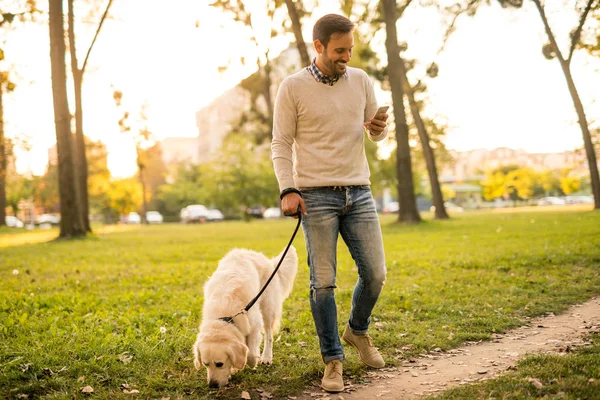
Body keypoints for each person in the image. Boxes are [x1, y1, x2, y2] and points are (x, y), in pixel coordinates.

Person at [271, 13, 389, 394]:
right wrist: (288, 189)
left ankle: (357, 331)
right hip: (316, 196)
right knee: (323, 283)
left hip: (359, 191)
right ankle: (333, 360)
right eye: (340, 50)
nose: (347, 57)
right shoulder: (292, 87)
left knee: (375, 275)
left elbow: (375, 135)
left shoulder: (361, 81)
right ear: (319, 46)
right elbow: (280, 143)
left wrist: (378, 129)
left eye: (350, 49)